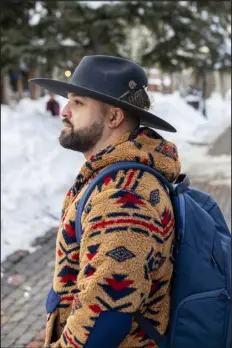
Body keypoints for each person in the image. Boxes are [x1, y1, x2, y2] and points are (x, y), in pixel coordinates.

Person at [30, 55, 180, 348]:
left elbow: (104, 317)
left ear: (114, 117)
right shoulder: (112, 176)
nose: (64, 111)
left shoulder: (124, 196)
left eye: (78, 103)